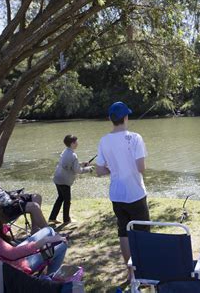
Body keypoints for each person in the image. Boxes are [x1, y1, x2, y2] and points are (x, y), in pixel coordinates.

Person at [95, 101, 150, 282]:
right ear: (126, 117)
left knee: (124, 233)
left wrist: (115, 167)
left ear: (111, 119)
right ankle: (143, 271)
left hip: (116, 195)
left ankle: (131, 274)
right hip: (135, 193)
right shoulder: (135, 138)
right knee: (141, 233)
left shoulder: (103, 141)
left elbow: (100, 171)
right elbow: (141, 168)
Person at [0, 189, 67, 275]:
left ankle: (52, 243)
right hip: (12, 268)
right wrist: (44, 240)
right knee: (62, 245)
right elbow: (12, 254)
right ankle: (50, 281)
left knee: (48, 230)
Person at [49, 135, 93, 224]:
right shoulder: (73, 155)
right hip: (64, 181)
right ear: (72, 143)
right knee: (67, 201)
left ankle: (52, 218)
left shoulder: (65, 151)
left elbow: (70, 165)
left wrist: (81, 163)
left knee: (60, 198)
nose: (77, 143)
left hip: (57, 178)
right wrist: (89, 169)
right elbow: (78, 171)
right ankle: (67, 220)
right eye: (76, 142)